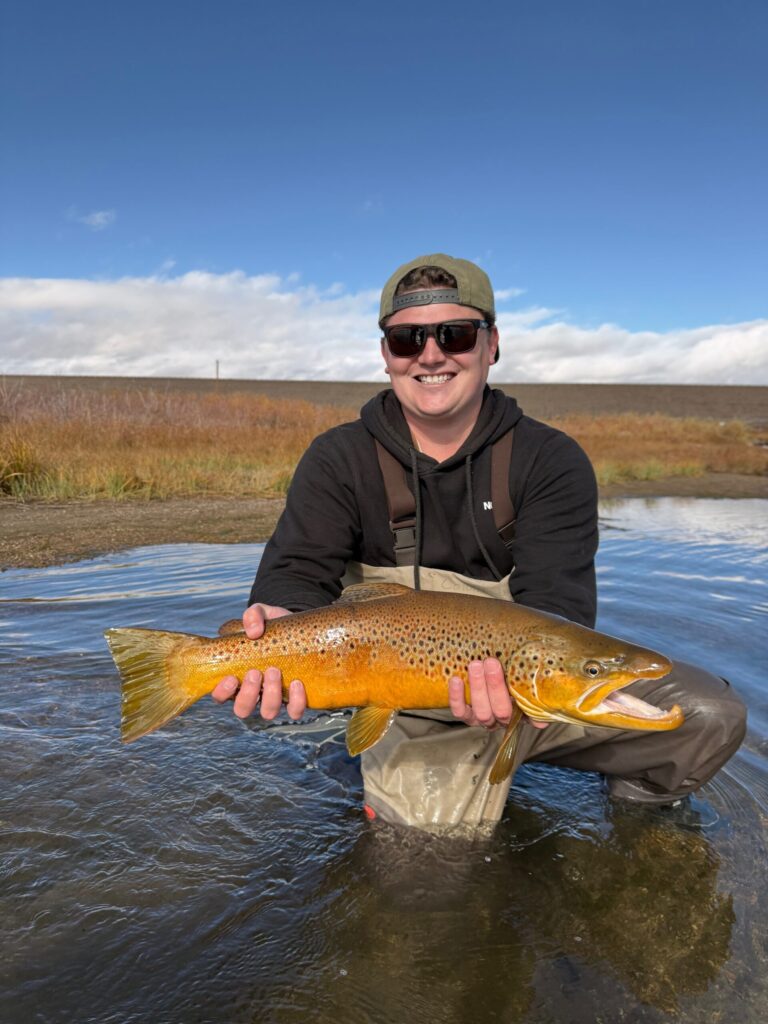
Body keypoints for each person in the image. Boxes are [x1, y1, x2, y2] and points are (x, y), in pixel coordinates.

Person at [212, 253, 746, 828]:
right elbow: (296, 570)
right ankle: (368, 770)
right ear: (385, 355)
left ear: (491, 345)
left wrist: (512, 687)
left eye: (455, 335)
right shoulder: (339, 457)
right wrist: (276, 614)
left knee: (708, 715)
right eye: (407, 339)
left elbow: (559, 612)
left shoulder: (550, 460)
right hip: (400, 704)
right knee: (429, 873)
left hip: (528, 694)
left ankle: (642, 824)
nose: (432, 354)